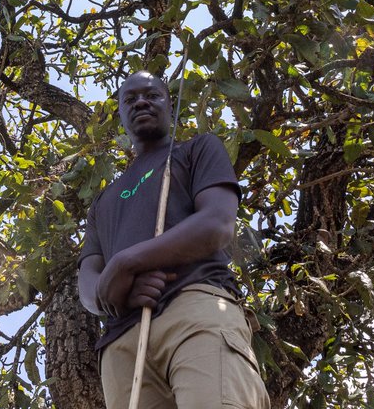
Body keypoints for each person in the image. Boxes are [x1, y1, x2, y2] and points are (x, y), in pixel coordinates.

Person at [78, 71, 270, 409]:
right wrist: (115, 292)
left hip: (195, 307)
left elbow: (217, 224)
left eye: (152, 95)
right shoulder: (103, 201)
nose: (141, 102)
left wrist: (127, 263)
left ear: (170, 104)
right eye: (130, 99)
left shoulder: (198, 150)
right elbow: (89, 282)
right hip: (121, 345)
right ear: (121, 115)